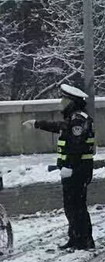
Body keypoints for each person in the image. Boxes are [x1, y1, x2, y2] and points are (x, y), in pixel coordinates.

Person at [22, 84, 96, 250]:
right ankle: (76, 238)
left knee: (76, 206)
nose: (61, 102)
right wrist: (36, 123)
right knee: (72, 206)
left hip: (77, 169)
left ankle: (84, 240)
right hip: (74, 169)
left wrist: (70, 166)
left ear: (72, 101)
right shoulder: (73, 118)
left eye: (64, 99)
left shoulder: (79, 119)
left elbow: (77, 146)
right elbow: (59, 127)